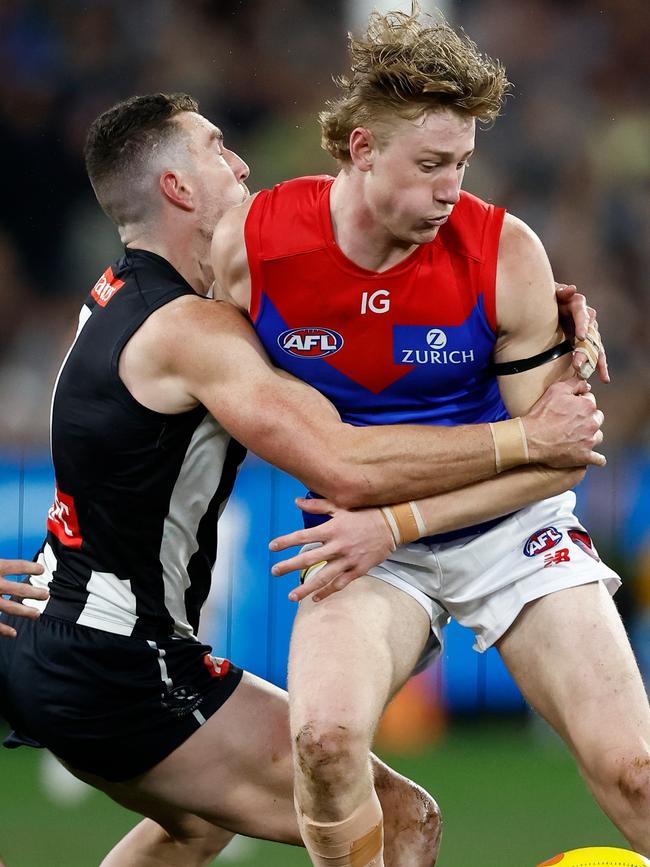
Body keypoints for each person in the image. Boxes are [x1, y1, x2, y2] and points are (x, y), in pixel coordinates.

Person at [0, 91, 602, 867]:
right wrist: (526, 434)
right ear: (178, 189)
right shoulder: (196, 332)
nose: (241, 161)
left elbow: (330, 317)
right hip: (116, 662)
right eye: (217, 147)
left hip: (60, 639)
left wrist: (513, 311)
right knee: (401, 818)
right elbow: (345, 462)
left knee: (197, 824)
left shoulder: (121, 294)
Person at [212, 7, 650, 865]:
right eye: (432, 165)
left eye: (463, 164)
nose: (453, 191)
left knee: (635, 768)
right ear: (362, 149)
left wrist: (395, 522)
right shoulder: (254, 246)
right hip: (363, 543)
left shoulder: (503, 255)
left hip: (504, 532)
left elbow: (555, 455)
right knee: (326, 744)